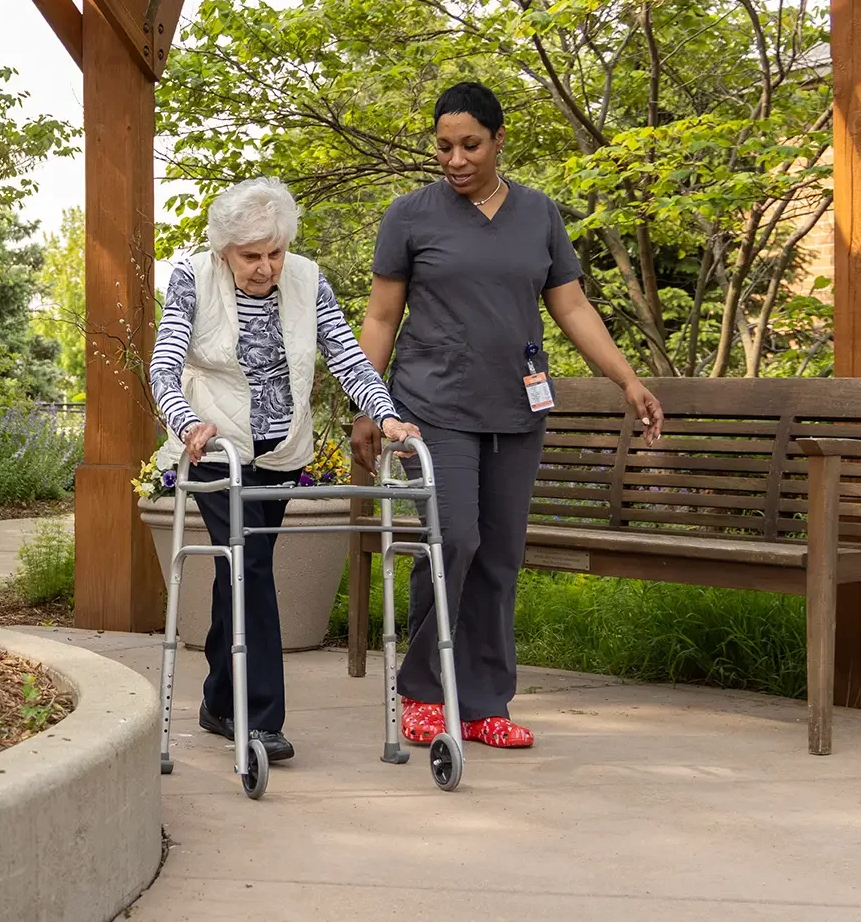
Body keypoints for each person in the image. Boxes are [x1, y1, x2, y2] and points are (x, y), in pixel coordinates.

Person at [352, 82, 663, 749]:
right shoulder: (410, 215)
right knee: (454, 540)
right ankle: (424, 692)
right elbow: (381, 317)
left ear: (498, 140)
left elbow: (571, 306)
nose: (455, 160)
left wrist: (628, 379)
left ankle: (485, 702)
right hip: (432, 406)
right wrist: (366, 403)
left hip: (517, 408)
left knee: (499, 555)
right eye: (444, 147)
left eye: (470, 145)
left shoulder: (538, 213)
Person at [151, 177, 420, 763]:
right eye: (251, 256)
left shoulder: (307, 278)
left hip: (279, 452)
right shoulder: (191, 277)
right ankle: (261, 718)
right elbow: (164, 365)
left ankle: (218, 701)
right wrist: (186, 422)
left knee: (240, 569)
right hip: (214, 447)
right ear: (225, 250)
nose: (266, 267)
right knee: (249, 568)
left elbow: (348, 358)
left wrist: (387, 415)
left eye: (274, 252)